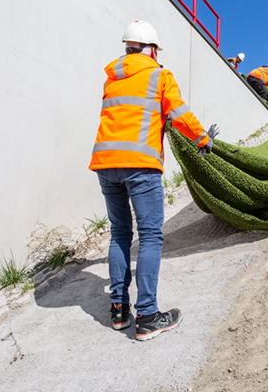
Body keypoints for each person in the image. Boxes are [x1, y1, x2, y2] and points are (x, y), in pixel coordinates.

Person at [89, 20, 217, 341]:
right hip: (141, 166)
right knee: (149, 237)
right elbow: (179, 114)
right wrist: (202, 138)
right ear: (151, 48)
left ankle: (119, 310)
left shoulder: (111, 80)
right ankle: (147, 315)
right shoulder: (160, 75)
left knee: (120, 234)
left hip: (106, 164)